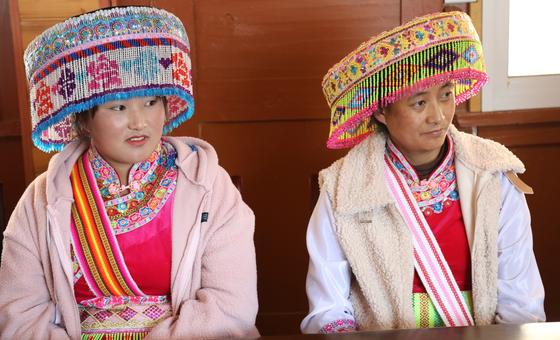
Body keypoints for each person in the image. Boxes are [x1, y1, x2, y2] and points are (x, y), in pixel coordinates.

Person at [0, 6, 258, 339]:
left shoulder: (209, 186)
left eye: (151, 102)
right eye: (118, 106)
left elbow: (230, 306)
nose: (140, 122)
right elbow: (18, 313)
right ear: (83, 119)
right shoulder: (41, 200)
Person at [301, 11, 545, 333]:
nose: (439, 117)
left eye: (446, 95)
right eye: (419, 104)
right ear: (382, 112)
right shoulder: (342, 188)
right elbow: (328, 311)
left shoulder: (494, 176)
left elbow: (520, 304)